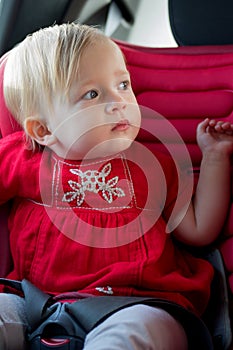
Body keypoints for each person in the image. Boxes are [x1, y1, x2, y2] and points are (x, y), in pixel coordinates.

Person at [0, 22, 233, 350]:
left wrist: (215, 156)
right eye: (92, 94)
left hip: (140, 303)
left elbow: (198, 231)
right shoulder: (20, 159)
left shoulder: (153, 165)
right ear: (42, 130)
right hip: (37, 301)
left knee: (131, 336)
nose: (119, 101)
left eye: (123, 84)